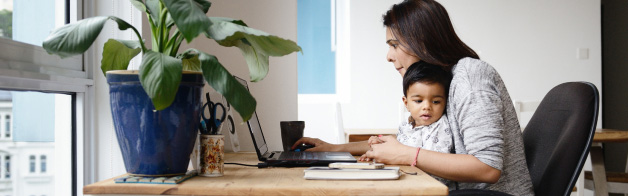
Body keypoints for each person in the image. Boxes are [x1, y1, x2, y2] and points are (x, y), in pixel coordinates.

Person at [292, 0, 534, 195]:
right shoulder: (444, 80)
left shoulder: (470, 78)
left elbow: (487, 168)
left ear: (422, 41)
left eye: (394, 44)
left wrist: (406, 154)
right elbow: (415, 143)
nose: (388, 56)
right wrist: (334, 148)